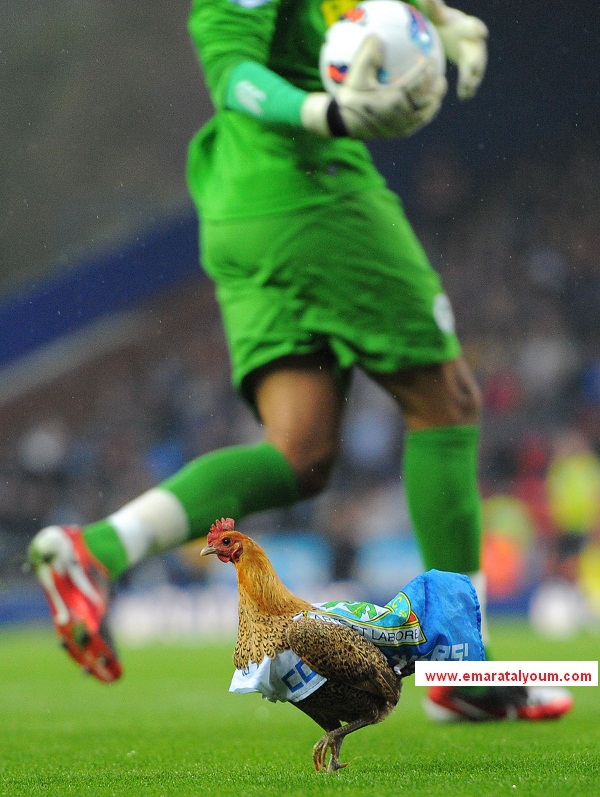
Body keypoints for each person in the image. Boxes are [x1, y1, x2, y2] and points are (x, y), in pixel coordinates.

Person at [29, 0, 572, 720]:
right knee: (445, 397)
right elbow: (236, 78)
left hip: (242, 204)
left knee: (298, 453)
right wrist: (327, 114)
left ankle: (98, 547)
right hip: (305, 186)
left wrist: (437, 18)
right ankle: (462, 663)